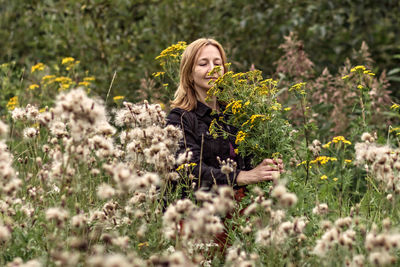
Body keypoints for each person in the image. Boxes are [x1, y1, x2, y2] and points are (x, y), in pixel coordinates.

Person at [166, 38, 283, 192]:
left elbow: (250, 163)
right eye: (203, 64)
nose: (212, 69)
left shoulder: (236, 115)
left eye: (217, 64)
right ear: (189, 74)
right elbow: (188, 169)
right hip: (198, 210)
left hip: (242, 208)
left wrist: (268, 167)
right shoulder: (179, 119)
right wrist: (242, 177)